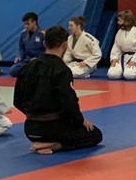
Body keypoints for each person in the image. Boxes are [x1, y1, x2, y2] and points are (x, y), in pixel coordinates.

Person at [13, 25, 103, 154]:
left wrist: (33, 115)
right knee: (95, 135)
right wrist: (80, 120)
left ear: (44, 43)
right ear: (65, 45)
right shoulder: (62, 70)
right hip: (54, 129)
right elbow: (69, 103)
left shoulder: (28, 67)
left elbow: (17, 100)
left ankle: (42, 143)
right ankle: (56, 145)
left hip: (30, 130)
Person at [107, 11, 136, 81]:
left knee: (129, 75)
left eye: (119, 20)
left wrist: (135, 60)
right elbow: (116, 46)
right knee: (112, 74)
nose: (118, 22)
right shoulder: (120, 32)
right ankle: (124, 71)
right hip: (124, 57)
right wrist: (114, 58)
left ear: (127, 21)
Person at [8, 12, 45, 77]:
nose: (26, 26)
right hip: (26, 60)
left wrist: (38, 58)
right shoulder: (23, 34)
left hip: (38, 61)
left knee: (36, 71)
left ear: (34, 22)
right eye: (25, 24)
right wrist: (19, 57)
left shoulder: (43, 34)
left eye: (28, 24)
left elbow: (46, 50)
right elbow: (21, 48)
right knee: (12, 71)